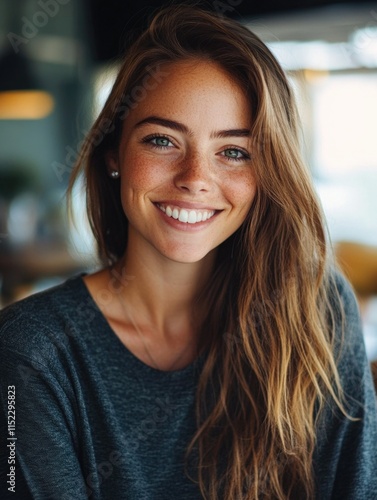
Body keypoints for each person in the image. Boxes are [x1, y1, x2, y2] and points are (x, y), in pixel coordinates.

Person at [1, 4, 377, 499]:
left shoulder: (318, 310)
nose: (195, 179)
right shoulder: (31, 353)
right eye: (162, 140)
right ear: (114, 152)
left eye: (234, 151)